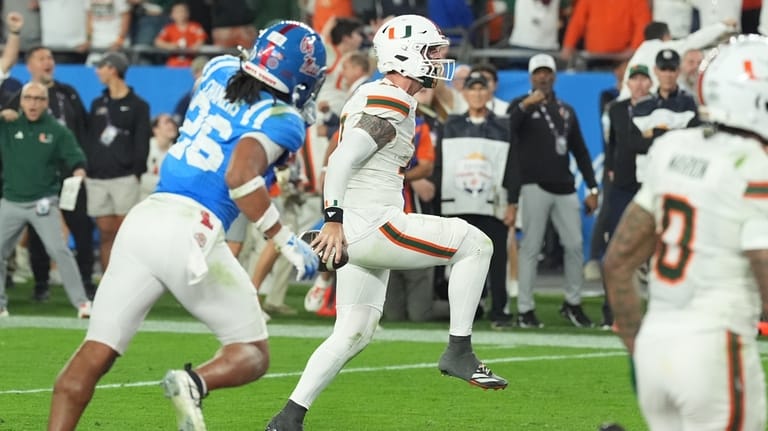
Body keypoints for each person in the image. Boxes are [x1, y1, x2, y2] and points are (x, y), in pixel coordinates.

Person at [47, 20, 326, 431]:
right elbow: (240, 176)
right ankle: (193, 383)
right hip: (192, 229)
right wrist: (284, 240)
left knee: (95, 353)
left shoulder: (217, 70)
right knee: (252, 353)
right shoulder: (282, 118)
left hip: (146, 218)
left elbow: (229, 116)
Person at [266, 15, 507, 431]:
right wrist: (334, 221)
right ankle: (459, 350)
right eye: (430, 51)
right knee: (477, 243)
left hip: (363, 223)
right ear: (405, 54)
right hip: (372, 223)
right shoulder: (391, 97)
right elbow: (340, 159)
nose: (437, 59)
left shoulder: (385, 94)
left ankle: (288, 418)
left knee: (354, 332)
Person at [604, 35, 768, 430]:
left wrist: (636, 349)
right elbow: (763, 262)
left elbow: (617, 262)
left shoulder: (674, 148)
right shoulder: (753, 165)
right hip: (715, 348)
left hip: (656, 346)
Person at [508, 53, 599, 328]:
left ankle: (572, 303)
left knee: (574, 246)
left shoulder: (566, 110)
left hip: (565, 186)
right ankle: (525, 309)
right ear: (531, 77)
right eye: (538, 73)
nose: (543, 77)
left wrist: (592, 186)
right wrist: (525, 106)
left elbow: (581, 150)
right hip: (533, 184)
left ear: (554, 76)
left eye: (547, 72)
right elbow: (506, 130)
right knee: (531, 248)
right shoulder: (520, 105)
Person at [7, 45, 94, 301]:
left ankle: (87, 282)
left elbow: (84, 128)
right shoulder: (19, 96)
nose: (48, 62)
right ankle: (41, 283)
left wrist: (82, 165)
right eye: (42, 58)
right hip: (40, 177)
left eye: (51, 57)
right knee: (37, 232)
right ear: (30, 65)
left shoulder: (68, 93)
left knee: (81, 226)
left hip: (70, 175)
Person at [436, 71, 515, 329]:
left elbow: (514, 166)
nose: (478, 94)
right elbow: (441, 163)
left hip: (492, 204)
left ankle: (500, 310)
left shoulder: (504, 125)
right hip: (458, 203)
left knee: (497, 258)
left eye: (482, 89)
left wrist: (512, 202)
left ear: (489, 92)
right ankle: (463, 310)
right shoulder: (452, 124)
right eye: (473, 89)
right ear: (465, 93)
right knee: (459, 260)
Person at [84, 52, 151, 273]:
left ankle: (128, 277)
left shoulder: (139, 105)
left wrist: (135, 172)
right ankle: (107, 279)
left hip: (125, 178)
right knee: (105, 233)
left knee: (125, 234)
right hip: (98, 178)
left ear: (112, 69)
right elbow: (91, 137)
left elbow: (142, 142)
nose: (97, 72)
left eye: (100, 67)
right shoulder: (97, 103)